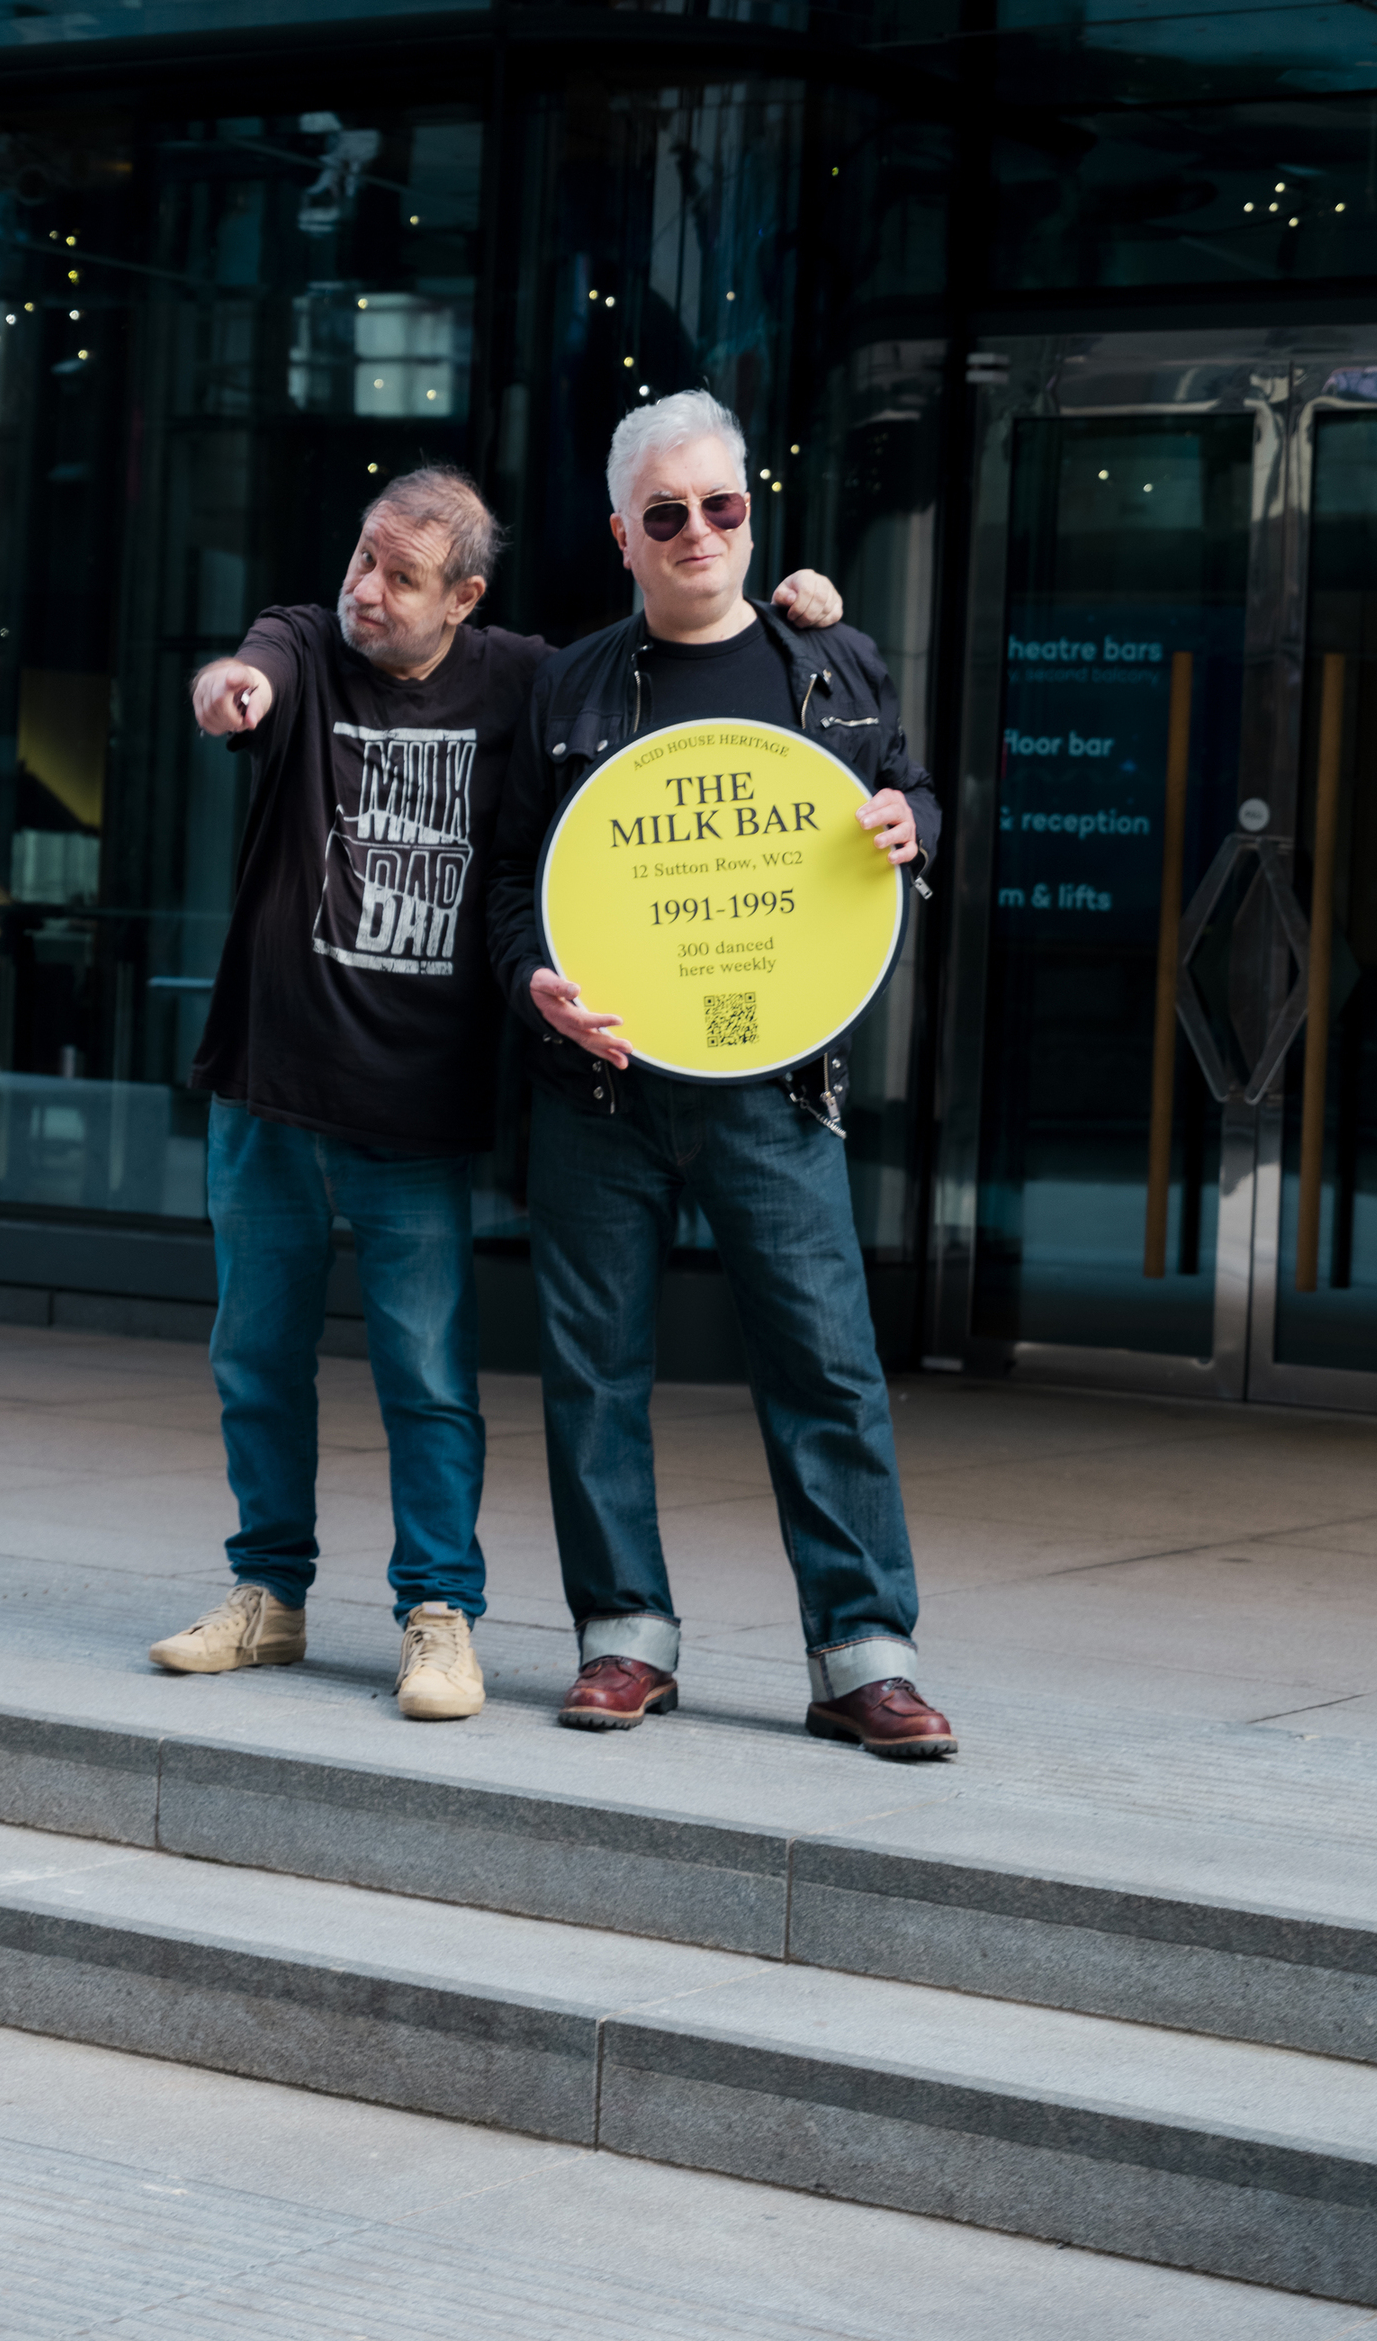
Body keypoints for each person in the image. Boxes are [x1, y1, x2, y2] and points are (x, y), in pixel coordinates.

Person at [151, 462, 848, 1722]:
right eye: (363, 558)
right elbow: (241, 673)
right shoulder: (306, 643)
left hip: (414, 1110)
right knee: (255, 1358)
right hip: (263, 1089)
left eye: (401, 578)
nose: (367, 590)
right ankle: (269, 1595)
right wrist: (231, 691)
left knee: (426, 1378)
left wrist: (806, 611)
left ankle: (439, 1615)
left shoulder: (531, 678)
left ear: (464, 596)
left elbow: (675, 660)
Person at [488, 391, 956, 1759]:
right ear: (622, 537)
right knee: (591, 1369)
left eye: (723, 506)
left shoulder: (833, 666)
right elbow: (517, 879)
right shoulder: (568, 685)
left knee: (826, 1364)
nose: (699, 533)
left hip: (774, 1085)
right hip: (598, 1087)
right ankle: (622, 1638)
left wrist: (904, 822)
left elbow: (921, 798)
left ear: (752, 512)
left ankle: (862, 1655)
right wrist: (533, 983)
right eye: (667, 514)